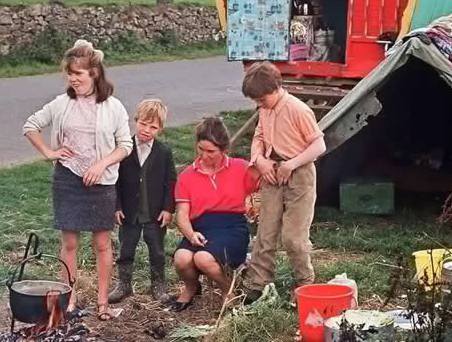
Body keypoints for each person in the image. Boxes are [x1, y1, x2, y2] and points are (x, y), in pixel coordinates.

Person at [22, 40, 132, 320]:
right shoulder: (62, 104)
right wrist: (49, 151)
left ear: (94, 73)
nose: (72, 79)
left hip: (102, 183)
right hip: (68, 180)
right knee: (69, 244)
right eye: (69, 74)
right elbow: (30, 125)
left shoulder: (114, 107)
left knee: (103, 244)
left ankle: (103, 303)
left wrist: (102, 163)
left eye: (78, 74)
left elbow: (125, 146)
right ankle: (68, 300)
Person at [241, 62, 326, 305]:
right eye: (255, 100)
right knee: (265, 232)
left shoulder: (297, 109)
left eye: (261, 99)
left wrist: (292, 164)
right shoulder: (265, 109)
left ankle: (304, 283)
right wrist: (259, 161)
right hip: (272, 172)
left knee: (293, 237)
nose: (259, 104)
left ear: (276, 88)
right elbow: (259, 136)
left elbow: (319, 146)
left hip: (298, 174)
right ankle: (259, 283)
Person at [170, 117, 259, 311]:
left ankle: (229, 291)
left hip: (232, 227)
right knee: (182, 258)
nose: (204, 155)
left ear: (224, 150)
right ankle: (192, 287)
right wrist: (191, 234)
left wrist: (254, 203)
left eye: (211, 151)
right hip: (200, 227)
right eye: (200, 149)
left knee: (203, 258)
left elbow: (262, 189)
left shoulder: (241, 168)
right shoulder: (187, 176)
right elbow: (182, 216)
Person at [109, 99, 177, 303]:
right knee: (126, 248)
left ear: (160, 129)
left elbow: (171, 182)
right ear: (135, 121)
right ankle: (124, 285)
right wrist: (117, 205)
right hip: (130, 212)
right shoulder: (124, 149)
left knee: (157, 250)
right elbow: (115, 180)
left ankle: (158, 285)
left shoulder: (163, 153)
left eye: (153, 127)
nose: (147, 130)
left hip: (154, 213)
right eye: (143, 124)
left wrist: (168, 208)